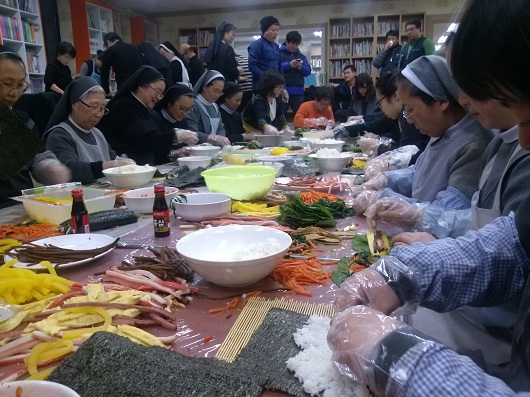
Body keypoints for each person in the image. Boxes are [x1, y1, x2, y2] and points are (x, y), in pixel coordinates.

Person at [327, 1, 530, 394]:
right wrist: (403, 274)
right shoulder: (495, 144)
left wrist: (395, 357)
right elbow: (512, 244)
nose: (522, 140)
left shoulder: (479, 145)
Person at [351, 56, 493, 216]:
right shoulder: (441, 131)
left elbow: (448, 212)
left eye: (410, 109)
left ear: (441, 102)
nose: (409, 119)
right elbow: (419, 172)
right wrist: (386, 179)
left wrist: (385, 197)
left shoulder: (473, 145)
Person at [0, 45, 70, 206]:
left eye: (20, 85)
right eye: (7, 83)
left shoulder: (21, 120)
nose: (14, 93)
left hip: (20, 210)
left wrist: (48, 166)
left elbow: (36, 157)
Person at [44, 77, 131, 184]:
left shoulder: (98, 134)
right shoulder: (59, 134)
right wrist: (106, 166)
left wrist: (126, 164)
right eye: (93, 107)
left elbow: (114, 159)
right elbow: (69, 170)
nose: (98, 114)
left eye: (102, 109)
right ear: (74, 104)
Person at [335, 70, 429, 161]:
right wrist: (338, 132)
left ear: (396, 96)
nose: (381, 109)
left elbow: (406, 155)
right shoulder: (395, 116)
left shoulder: (409, 118)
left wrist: (378, 147)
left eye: (380, 103)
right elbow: (371, 125)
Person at [99, 65, 177, 165]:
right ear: (141, 86)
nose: (158, 97)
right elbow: (145, 140)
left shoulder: (145, 108)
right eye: (157, 91)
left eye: (161, 94)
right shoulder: (124, 106)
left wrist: (172, 154)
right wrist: (175, 136)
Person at [152, 84, 199, 160]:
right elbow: (155, 148)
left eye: (188, 109)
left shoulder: (183, 120)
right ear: (169, 103)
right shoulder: (156, 119)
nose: (184, 113)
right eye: (181, 108)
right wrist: (173, 153)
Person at [185, 70, 231, 147]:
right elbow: (192, 132)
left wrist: (221, 139)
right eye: (215, 91)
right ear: (205, 87)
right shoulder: (194, 105)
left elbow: (220, 128)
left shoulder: (215, 106)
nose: (217, 95)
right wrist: (211, 138)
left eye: (220, 92)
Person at [241, 70, 289, 138]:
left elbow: (280, 114)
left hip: (263, 126)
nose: (279, 90)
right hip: (250, 127)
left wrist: (286, 127)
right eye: (276, 87)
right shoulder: (259, 100)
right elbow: (260, 119)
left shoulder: (278, 98)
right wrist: (268, 127)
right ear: (269, 86)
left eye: (281, 87)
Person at [280, 31, 311, 115]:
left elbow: (308, 72)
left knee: (299, 117)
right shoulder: (278, 54)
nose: (294, 46)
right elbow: (275, 69)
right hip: (282, 91)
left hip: (299, 92)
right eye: (292, 44)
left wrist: (301, 67)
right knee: (280, 117)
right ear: (287, 41)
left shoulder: (301, 56)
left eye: (297, 44)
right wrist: (288, 65)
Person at [248, 15, 282, 92]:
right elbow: (252, 65)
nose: (276, 33)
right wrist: (266, 79)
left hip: (275, 87)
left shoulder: (276, 47)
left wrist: (283, 87)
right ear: (265, 30)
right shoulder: (256, 45)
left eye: (277, 30)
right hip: (260, 86)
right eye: (273, 30)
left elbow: (280, 68)